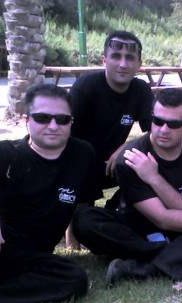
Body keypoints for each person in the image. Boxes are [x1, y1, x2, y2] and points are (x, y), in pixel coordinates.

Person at [72, 88, 182, 284]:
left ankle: (146, 268)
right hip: (135, 227)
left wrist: (153, 178)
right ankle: (181, 255)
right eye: (157, 121)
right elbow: (161, 219)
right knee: (85, 220)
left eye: (174, 124)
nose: (163, 129)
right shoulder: (130, 158)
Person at [0, 84, 94, 303]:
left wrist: (72, 238)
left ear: (71, 122)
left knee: (75, 279)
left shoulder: (82, 154)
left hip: (33, 257)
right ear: (26, 120)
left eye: (62, 119)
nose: (53, 126)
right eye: (42, 118)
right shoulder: (7, 153)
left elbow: (81, 200)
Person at [69, 30, 154, 205]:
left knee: (156, 160)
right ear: (104, 60)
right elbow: (64, 136)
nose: (123, 64)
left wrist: (127, 147)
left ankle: (125, 210)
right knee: (81, 215)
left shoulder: (141, 90)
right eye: (116, 56)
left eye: (130, 58)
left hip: (114, 165)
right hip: (77, 163)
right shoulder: (85, 88)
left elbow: (157, 132)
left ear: (139, 64)